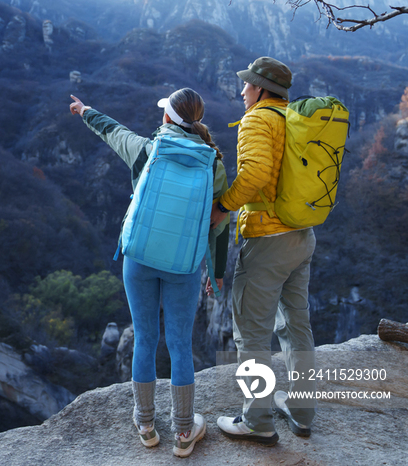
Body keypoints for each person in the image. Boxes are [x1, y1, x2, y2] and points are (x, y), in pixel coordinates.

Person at [70, 89, 229, 458]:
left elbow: (112, 130)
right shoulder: (214, 165)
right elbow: (218, 227)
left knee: (144, 336)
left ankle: (145, 425)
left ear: (168, 118)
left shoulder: (147, 150)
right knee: (179, 345)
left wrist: (84, 110)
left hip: (139, 258)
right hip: (184, 266)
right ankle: (185, 431)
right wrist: (216, 273)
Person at [210, 57, 316, 445]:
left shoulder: (258, 119)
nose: (241, 91)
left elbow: (253, 174)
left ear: (260, 88)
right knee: (296, 325)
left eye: (246, 85)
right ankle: (302, 412)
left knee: (252, 333)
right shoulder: (296, 119)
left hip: (268, 239)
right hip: (302, 237)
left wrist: (224, 207)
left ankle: (257, 421)